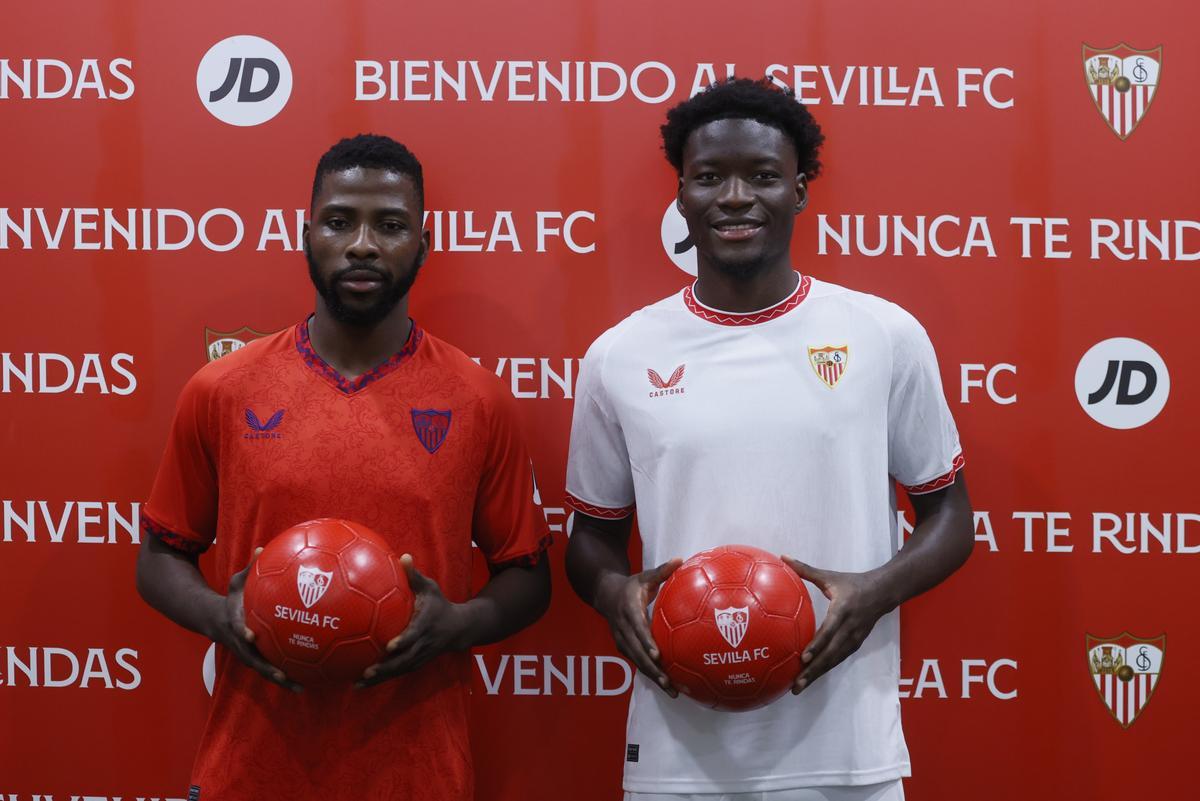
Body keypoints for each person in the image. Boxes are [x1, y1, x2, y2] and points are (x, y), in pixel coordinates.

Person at [564, 78, 974, 801]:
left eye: (762, 176)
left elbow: (950, 515)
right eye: (708, 177)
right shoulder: (619, 356)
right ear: (682, 194)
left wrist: (872, 592)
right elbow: (591, 538)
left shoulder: (882, 334)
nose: (734, 197)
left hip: (847, 751)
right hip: (677, 751)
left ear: (800, 189)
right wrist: (611, 591)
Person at [136, 134, 552, 801]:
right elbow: (159, 557)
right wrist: (224, 616)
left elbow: (528, 577)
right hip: (248, 770)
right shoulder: (223, 389)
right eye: (339, 221)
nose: (362, 244)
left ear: (423, 241)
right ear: (306, 234)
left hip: (419, 773)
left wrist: (459, 624)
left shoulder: (478, 399)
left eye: (389, 225)